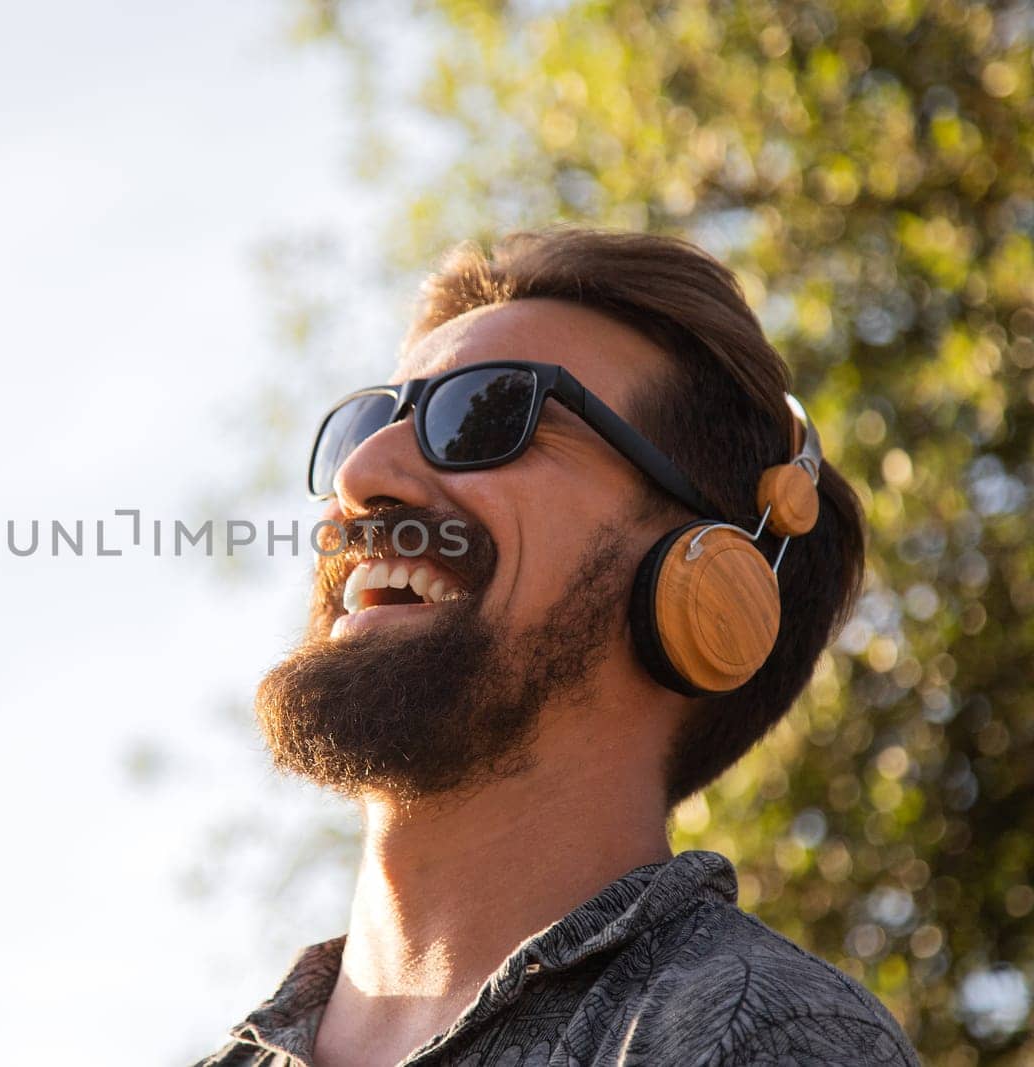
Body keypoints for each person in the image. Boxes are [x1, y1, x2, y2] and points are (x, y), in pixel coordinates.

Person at [196, 230, 920, 1066]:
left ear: (711, 582)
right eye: (367, 420)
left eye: (487, 412)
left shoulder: (755, 1033)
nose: (360, 473)